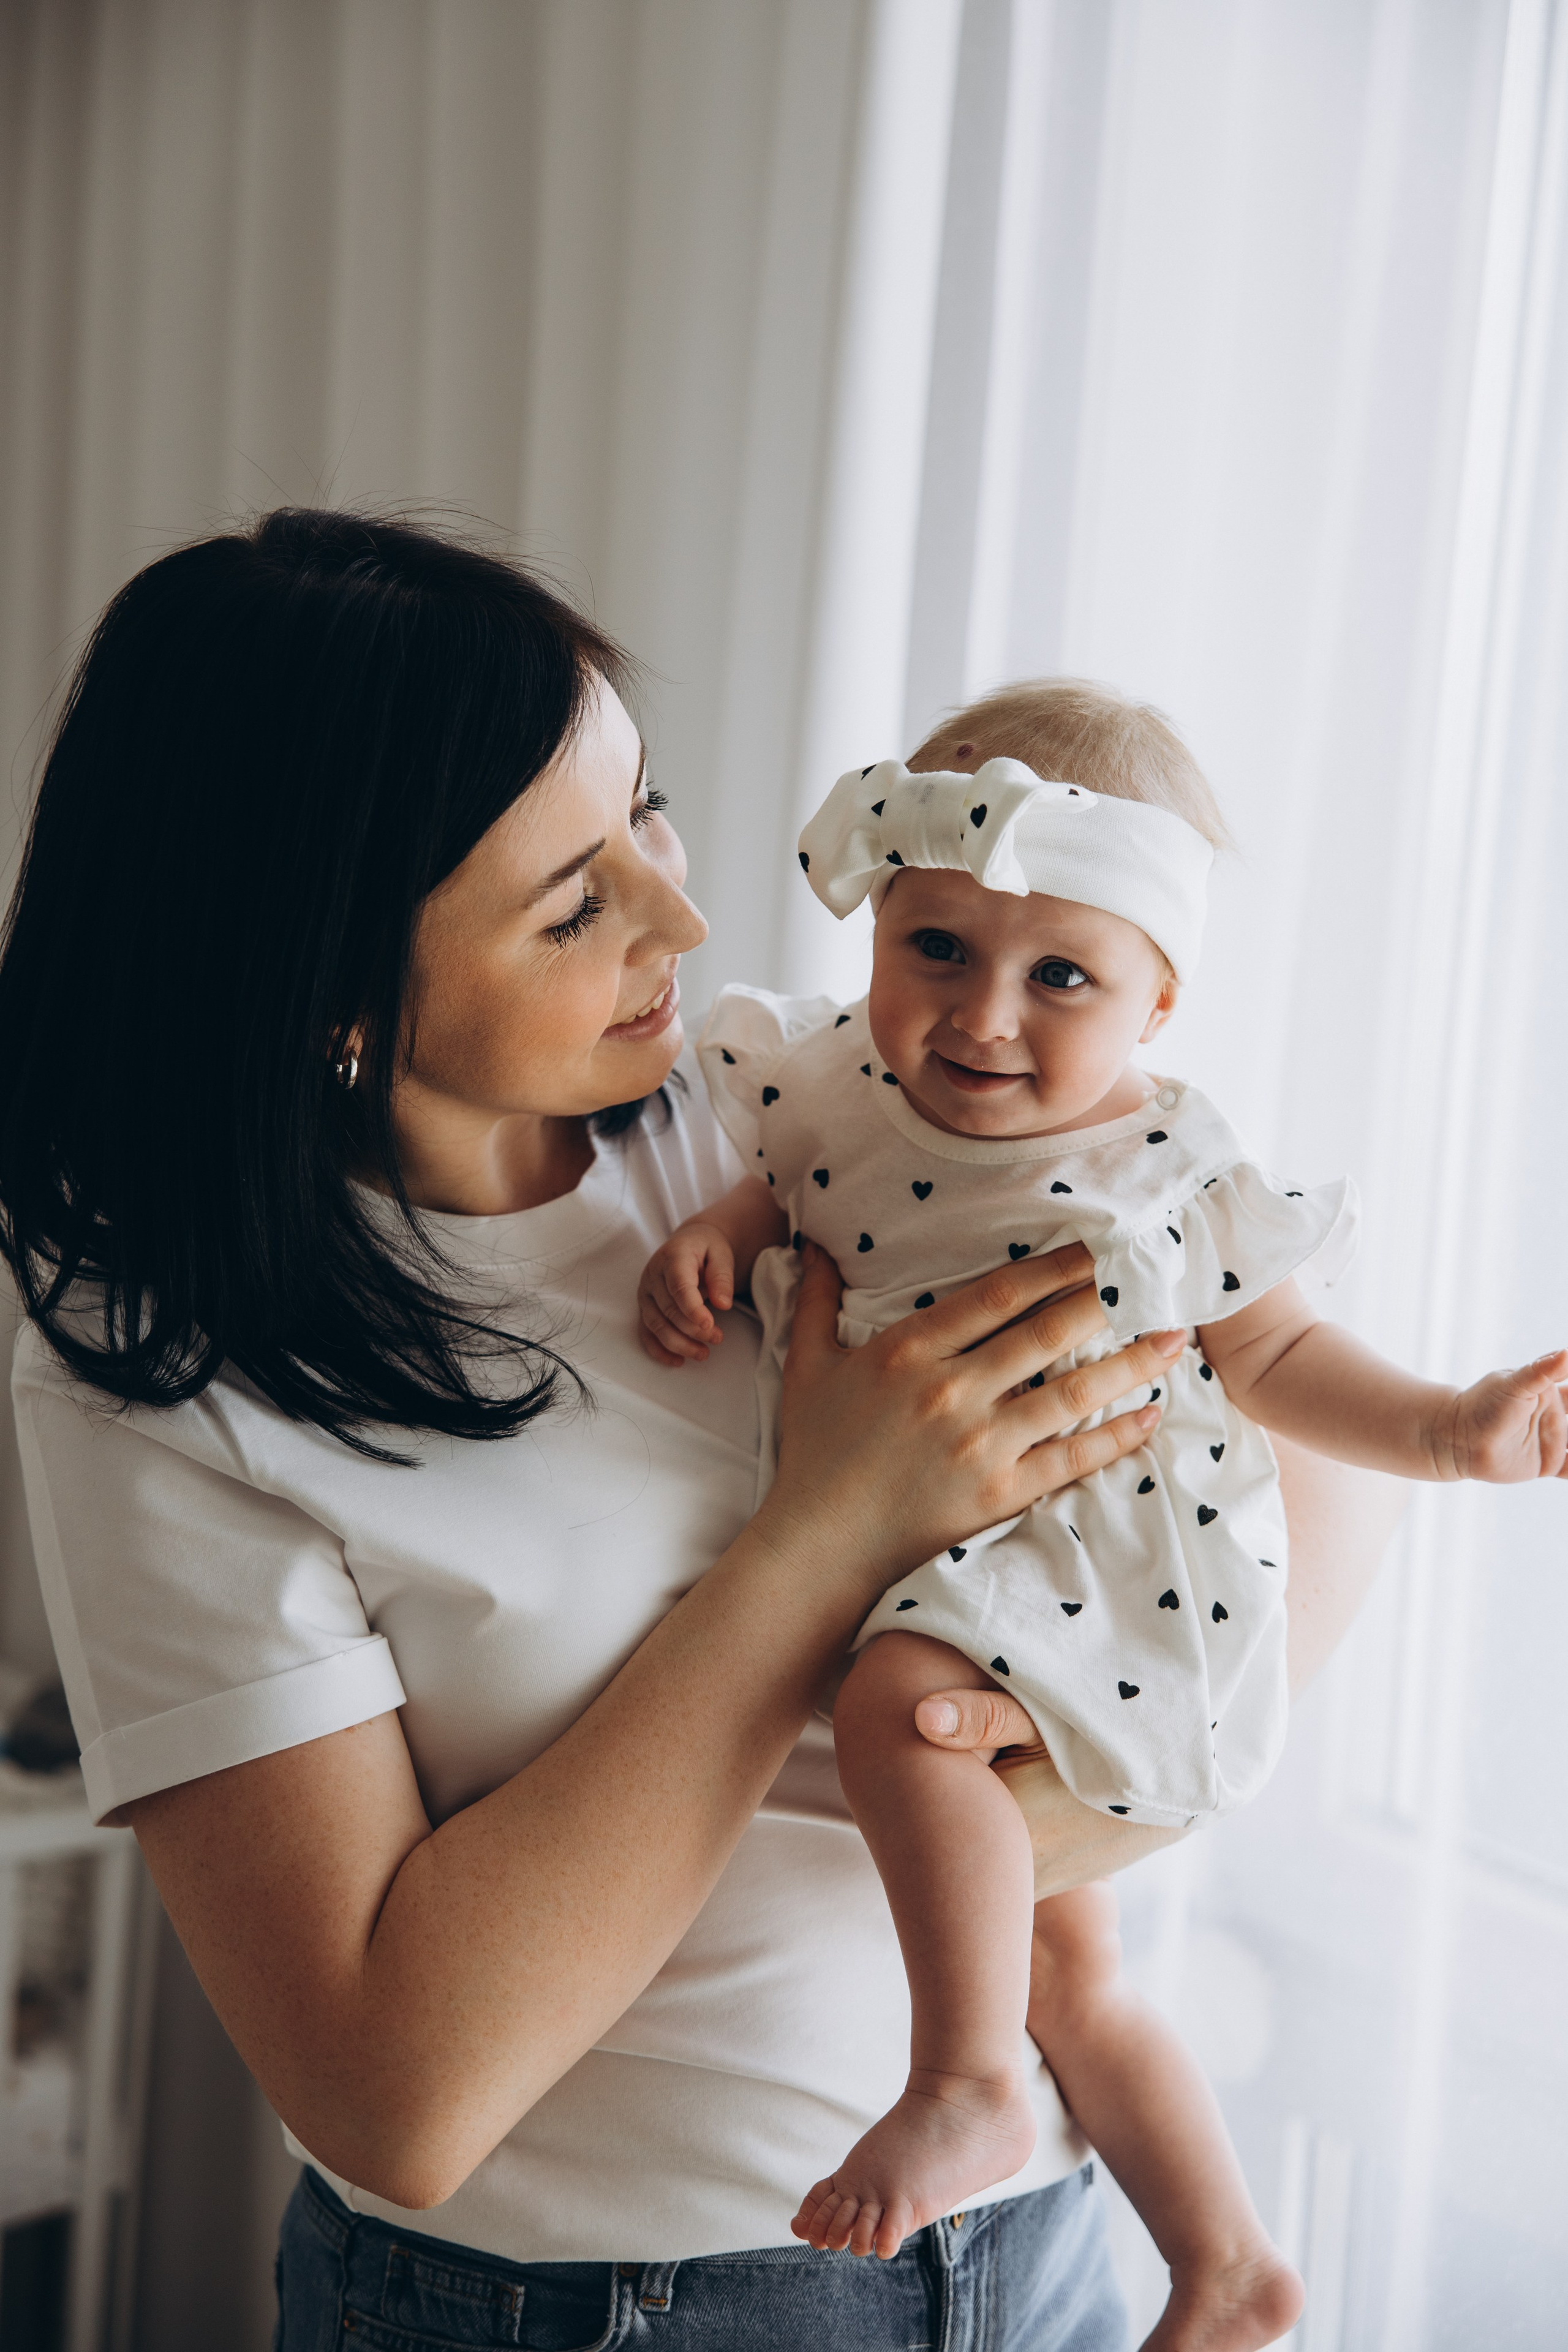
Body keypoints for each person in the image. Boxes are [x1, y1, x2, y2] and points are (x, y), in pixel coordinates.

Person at [1, 516, 1396, 2351]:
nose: (686, 913)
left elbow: (1288, 1431)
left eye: (645, 811)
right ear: (329, 995)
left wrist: (1011, 1798)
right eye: (573, 902)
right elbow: (398, 2097)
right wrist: (826, 1542)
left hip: (1039, 2231)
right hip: (606, 2305)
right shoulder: (170, 1368)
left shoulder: (788, 1108)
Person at [636, 680, 1568, 2350]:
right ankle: (1226, 2260)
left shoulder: (1162, 1171)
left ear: (1156, 999)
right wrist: (714, 1240)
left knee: (896, 1727)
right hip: (925, 1540)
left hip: (1082, 1570)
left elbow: (1278, 1351)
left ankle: (968, 2080)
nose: (982, 1016)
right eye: (935, 947)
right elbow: (788, 1179)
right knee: (1078, 1968)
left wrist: (1449, 1427)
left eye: (1057, 974)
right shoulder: (837, 1083)